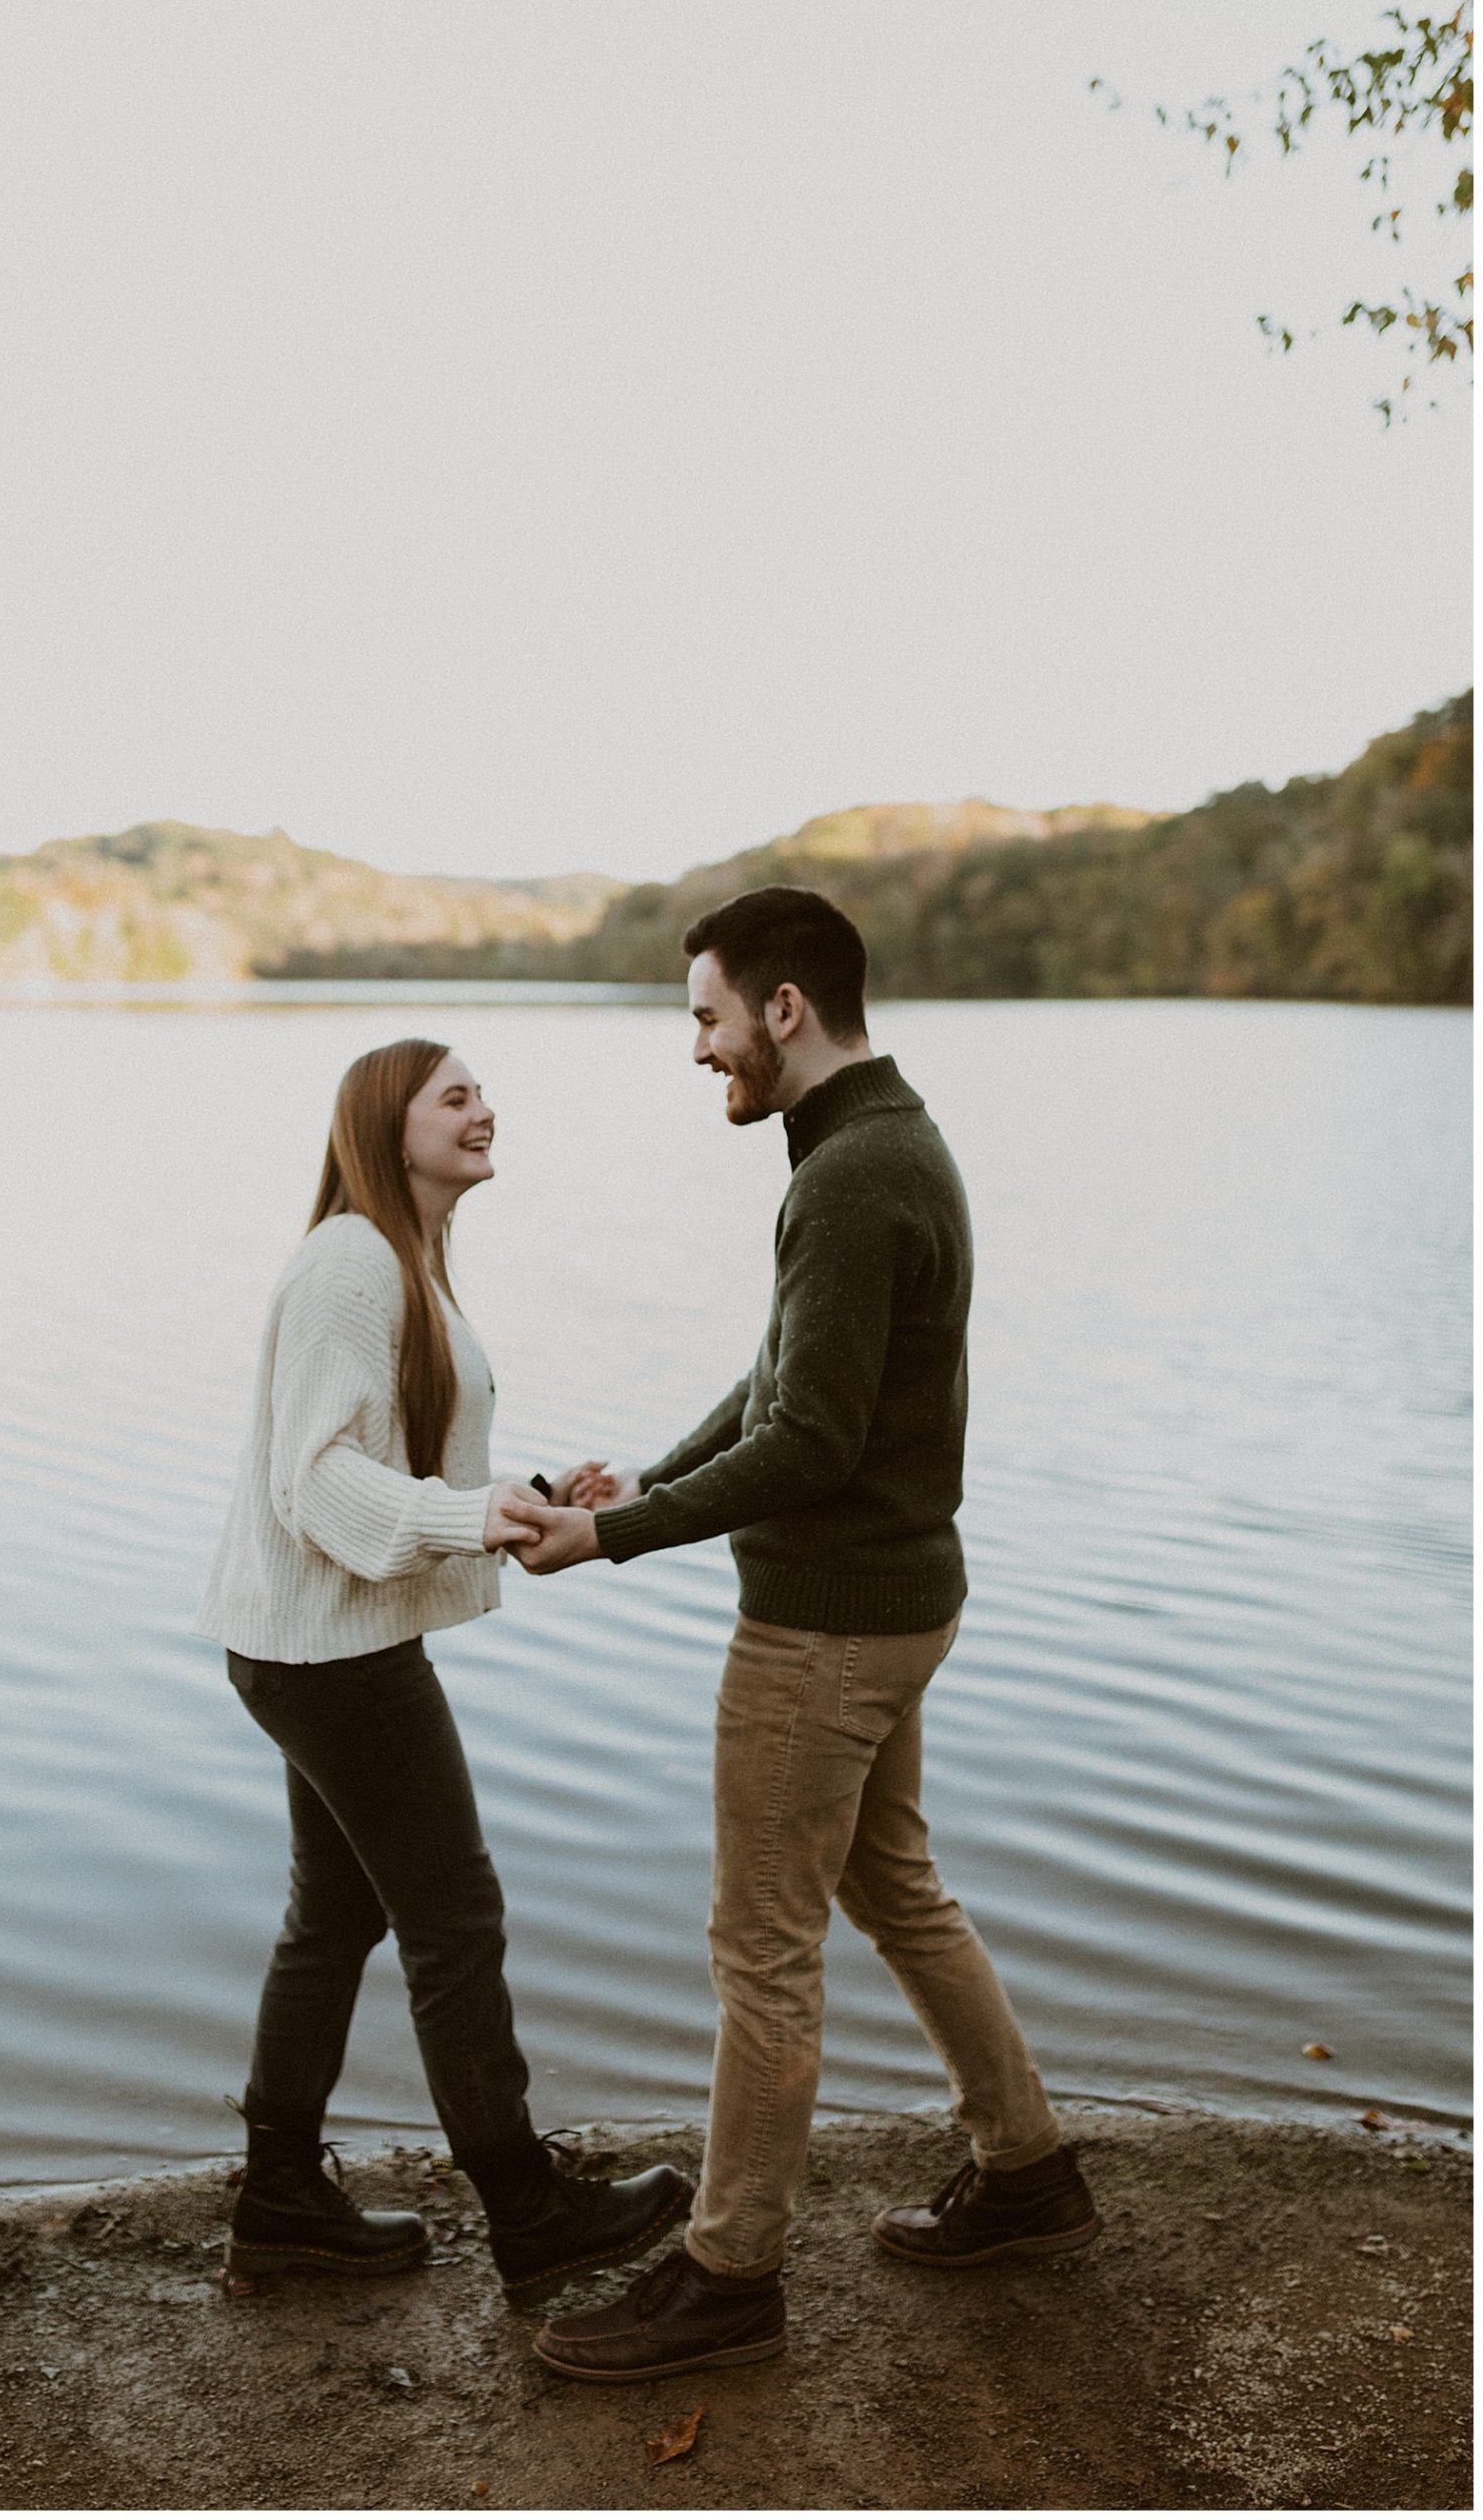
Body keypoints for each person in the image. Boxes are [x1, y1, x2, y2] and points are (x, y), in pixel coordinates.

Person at [511, 887, 1099, 2382]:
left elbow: (813, 1444)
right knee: (896, 1890)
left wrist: (610, 1534)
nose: (698, 1048)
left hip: (824, 1633)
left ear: (782, 1009)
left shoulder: (847, 1176)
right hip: (901, 1603)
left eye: (707, 1016)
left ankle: (727, 2274)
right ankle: (1025, 2171)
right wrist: (655, 1470)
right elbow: (785, 1378)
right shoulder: (880, 1141)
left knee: (760, 1952)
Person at [197, 1037, 690, 2298]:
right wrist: (468, 1519)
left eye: (483, 1091)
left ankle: (280, 2196)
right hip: (333, 1655)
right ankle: (526, 2211)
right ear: (389, 1124)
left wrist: (514, 1495)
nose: (484, 1112)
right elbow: (317, 1480)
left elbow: (387, 1457)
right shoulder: (352, 1264)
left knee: (341, 1910)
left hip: (314, 1642)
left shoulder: (399, 1254)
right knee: (453, 1916)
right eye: (455, 1096)